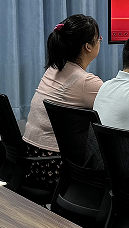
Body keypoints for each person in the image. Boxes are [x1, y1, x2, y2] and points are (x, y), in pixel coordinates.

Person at [23, 14, 104, 185]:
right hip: (54, 165)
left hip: (30, 157)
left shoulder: (53, 68)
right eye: (99, 39)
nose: (100, 41)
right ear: (88, 47)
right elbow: (116, 105)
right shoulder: (85, 82)